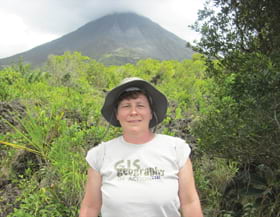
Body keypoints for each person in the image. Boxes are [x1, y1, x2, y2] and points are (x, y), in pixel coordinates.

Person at [79, 77, 203, 217]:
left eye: (140, 106)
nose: (133, 112)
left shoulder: (176, 149)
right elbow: (90, 207)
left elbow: (190, 203)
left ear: (151, 113)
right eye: (126, 106)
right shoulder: (99, 154)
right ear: (117, 114)